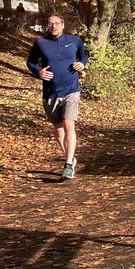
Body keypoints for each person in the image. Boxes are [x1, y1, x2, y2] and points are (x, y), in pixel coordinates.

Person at [26, 13, 89, 180]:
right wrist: (38, 72)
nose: (53, 26)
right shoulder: (41, 43)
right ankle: (71, 157)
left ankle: (68, 165)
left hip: (71, 90)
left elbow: (84, 55)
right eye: (50, 23)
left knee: (69, 125)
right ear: (47, 26)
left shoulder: (74, 41)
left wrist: (82, 64)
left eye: (56, 23)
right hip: (50, 93)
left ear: (63, 25)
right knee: (58, 130)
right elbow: (30, 62)